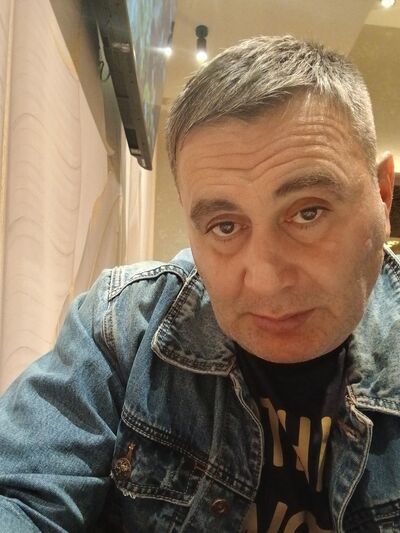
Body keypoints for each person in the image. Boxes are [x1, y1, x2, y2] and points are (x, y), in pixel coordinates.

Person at [0, 34, 398, 533]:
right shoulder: (122, 329)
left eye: (308, 213)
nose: (266, 279)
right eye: (225, 226)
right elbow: (20, 497)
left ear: (382, 194)